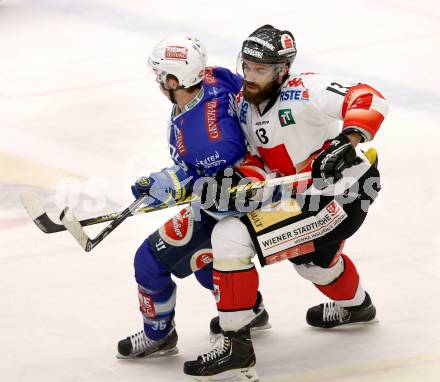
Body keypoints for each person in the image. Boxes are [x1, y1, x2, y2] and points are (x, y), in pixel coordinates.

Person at [184, 25, 389, 380]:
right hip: (309, 196)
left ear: (282, 71)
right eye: (246, 66)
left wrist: (346, 139)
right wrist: (243, 180)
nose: (249, 76)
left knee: (231, 236)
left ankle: (238, 348)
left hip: (344, 193)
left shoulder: (304, 89)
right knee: (313, 264)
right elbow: (258, 160)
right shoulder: (244, 107)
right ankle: (357, 307)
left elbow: (369, 97)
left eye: (260, 70)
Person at [116, 35, 270, 359]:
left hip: (232, 205)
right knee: (204, 266)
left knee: (150, 260)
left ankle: (160, 335)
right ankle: (251, 309)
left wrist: (167, 182)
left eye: (161, 76)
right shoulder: (214, 76)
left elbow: (207, 180)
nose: (158, 81)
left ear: (174, 80)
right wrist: (167, 181)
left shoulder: (207, 138)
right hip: (227, 194)